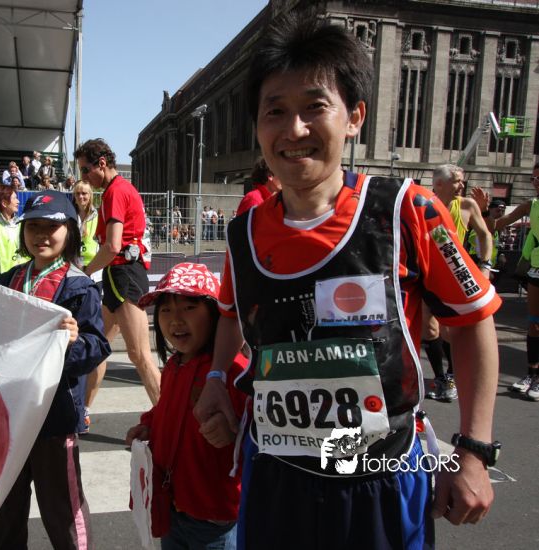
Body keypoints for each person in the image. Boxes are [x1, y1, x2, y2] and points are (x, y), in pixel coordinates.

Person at [193, 15, 500, 548]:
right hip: (277, 480)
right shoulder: (243, 234)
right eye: (275, 111)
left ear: (355, 117)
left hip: (382, 481)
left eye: (315, 107)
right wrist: (217, 379)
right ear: (258, 127)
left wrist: (474, 452)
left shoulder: (408, 211)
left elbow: (473, 322)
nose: (294, 130)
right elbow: (228, 316)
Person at [0, 190, 110, 549]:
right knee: (3, 507)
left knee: (63, 508)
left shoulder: (80, 287)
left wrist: (72, 343)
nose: (41, 235)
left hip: (54, 416)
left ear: (70, 232)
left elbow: (97, 346)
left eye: (51, 227)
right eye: (33, 227)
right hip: (7, 413)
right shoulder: (7, 280)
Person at [126, 262, 246, 548]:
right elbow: (165, 409)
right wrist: (148, 426)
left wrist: (232, 432)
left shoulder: (232, 370)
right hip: (172, 506)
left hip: (213, 517)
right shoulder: (173, 366)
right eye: (166, 310)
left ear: (216, 314)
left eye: (189, 308)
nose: (175, 320)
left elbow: (256, 429)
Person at [75, 138, 161, 414]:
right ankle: (83, 411)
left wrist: (86, 272)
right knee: (97, 347)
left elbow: (112, 246)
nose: (84, 177)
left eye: (85, 170)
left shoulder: (116, 191)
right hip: (119, 275)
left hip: (125, 275)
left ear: (101, 163)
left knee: (140, 355)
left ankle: (170, 420)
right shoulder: (116, 190)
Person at [422, 164, 493, 402]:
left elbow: (485, 234)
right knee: (429, 329)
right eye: (457, 181)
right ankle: (441, 378)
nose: (462, 185)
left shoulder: (466, 206)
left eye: (462, 180)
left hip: (455, 274)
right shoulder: (423, 204)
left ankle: (453, 374)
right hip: (426, 275)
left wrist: (485, 265)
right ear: (439, 184)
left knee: (450, 331)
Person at [483, 162, 539, 400]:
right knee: (534, 325)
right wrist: (484, 211)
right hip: (536, 269)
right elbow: (494, 227)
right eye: (534, 179)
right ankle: (531, 375)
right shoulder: (530, 205)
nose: (535, 183)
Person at [73, 180, 100, 434]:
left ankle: (85, 406)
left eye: (85, 193)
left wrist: (91, 270)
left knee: (93, 335)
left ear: (91, 196)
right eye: (78, 193)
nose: (81, 196)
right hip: (74, 275)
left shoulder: (97, 217)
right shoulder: (71, 215)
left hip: (94, 276)